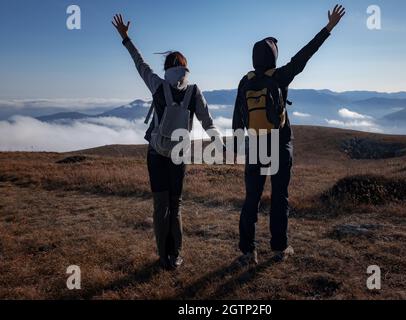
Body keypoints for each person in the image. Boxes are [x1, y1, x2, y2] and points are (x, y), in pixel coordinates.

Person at [232, 5, 346, 265]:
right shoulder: (280, 76)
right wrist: (328, 28)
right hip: (280, 143)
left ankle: (248, 251)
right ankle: (279, 248)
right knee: (279, 196)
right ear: (273, 57)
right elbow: (305, 55)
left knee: (252, 199)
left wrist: (241, 145)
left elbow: (237, 116)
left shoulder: (245, 81)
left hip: (256, 146)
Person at [112, 14, 224, 270]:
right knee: (176, 205)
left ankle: (163, 256)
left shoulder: (157, 85)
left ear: (166, 68)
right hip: (179, 155)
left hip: (155, 152)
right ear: (186, 69)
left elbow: (140, 64)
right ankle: (177, 256)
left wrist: (125, 38)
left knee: (160, 205)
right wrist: (217, 141)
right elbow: (208, 121)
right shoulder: (194, 91)